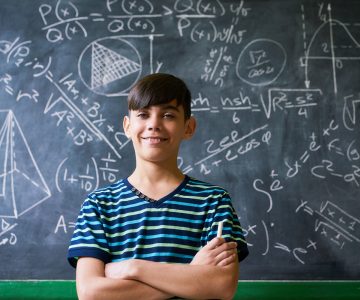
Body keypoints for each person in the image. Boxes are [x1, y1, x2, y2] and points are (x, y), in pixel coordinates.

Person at [68, 73, 248, 300]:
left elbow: (222, 286)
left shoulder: (214, 201)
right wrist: (192, 275)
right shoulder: (99, 204)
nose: (154, 124)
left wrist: (133, 268)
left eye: (168, 115)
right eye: (143, 115)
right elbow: (90, 293)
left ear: (189, 127)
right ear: (127, 126)